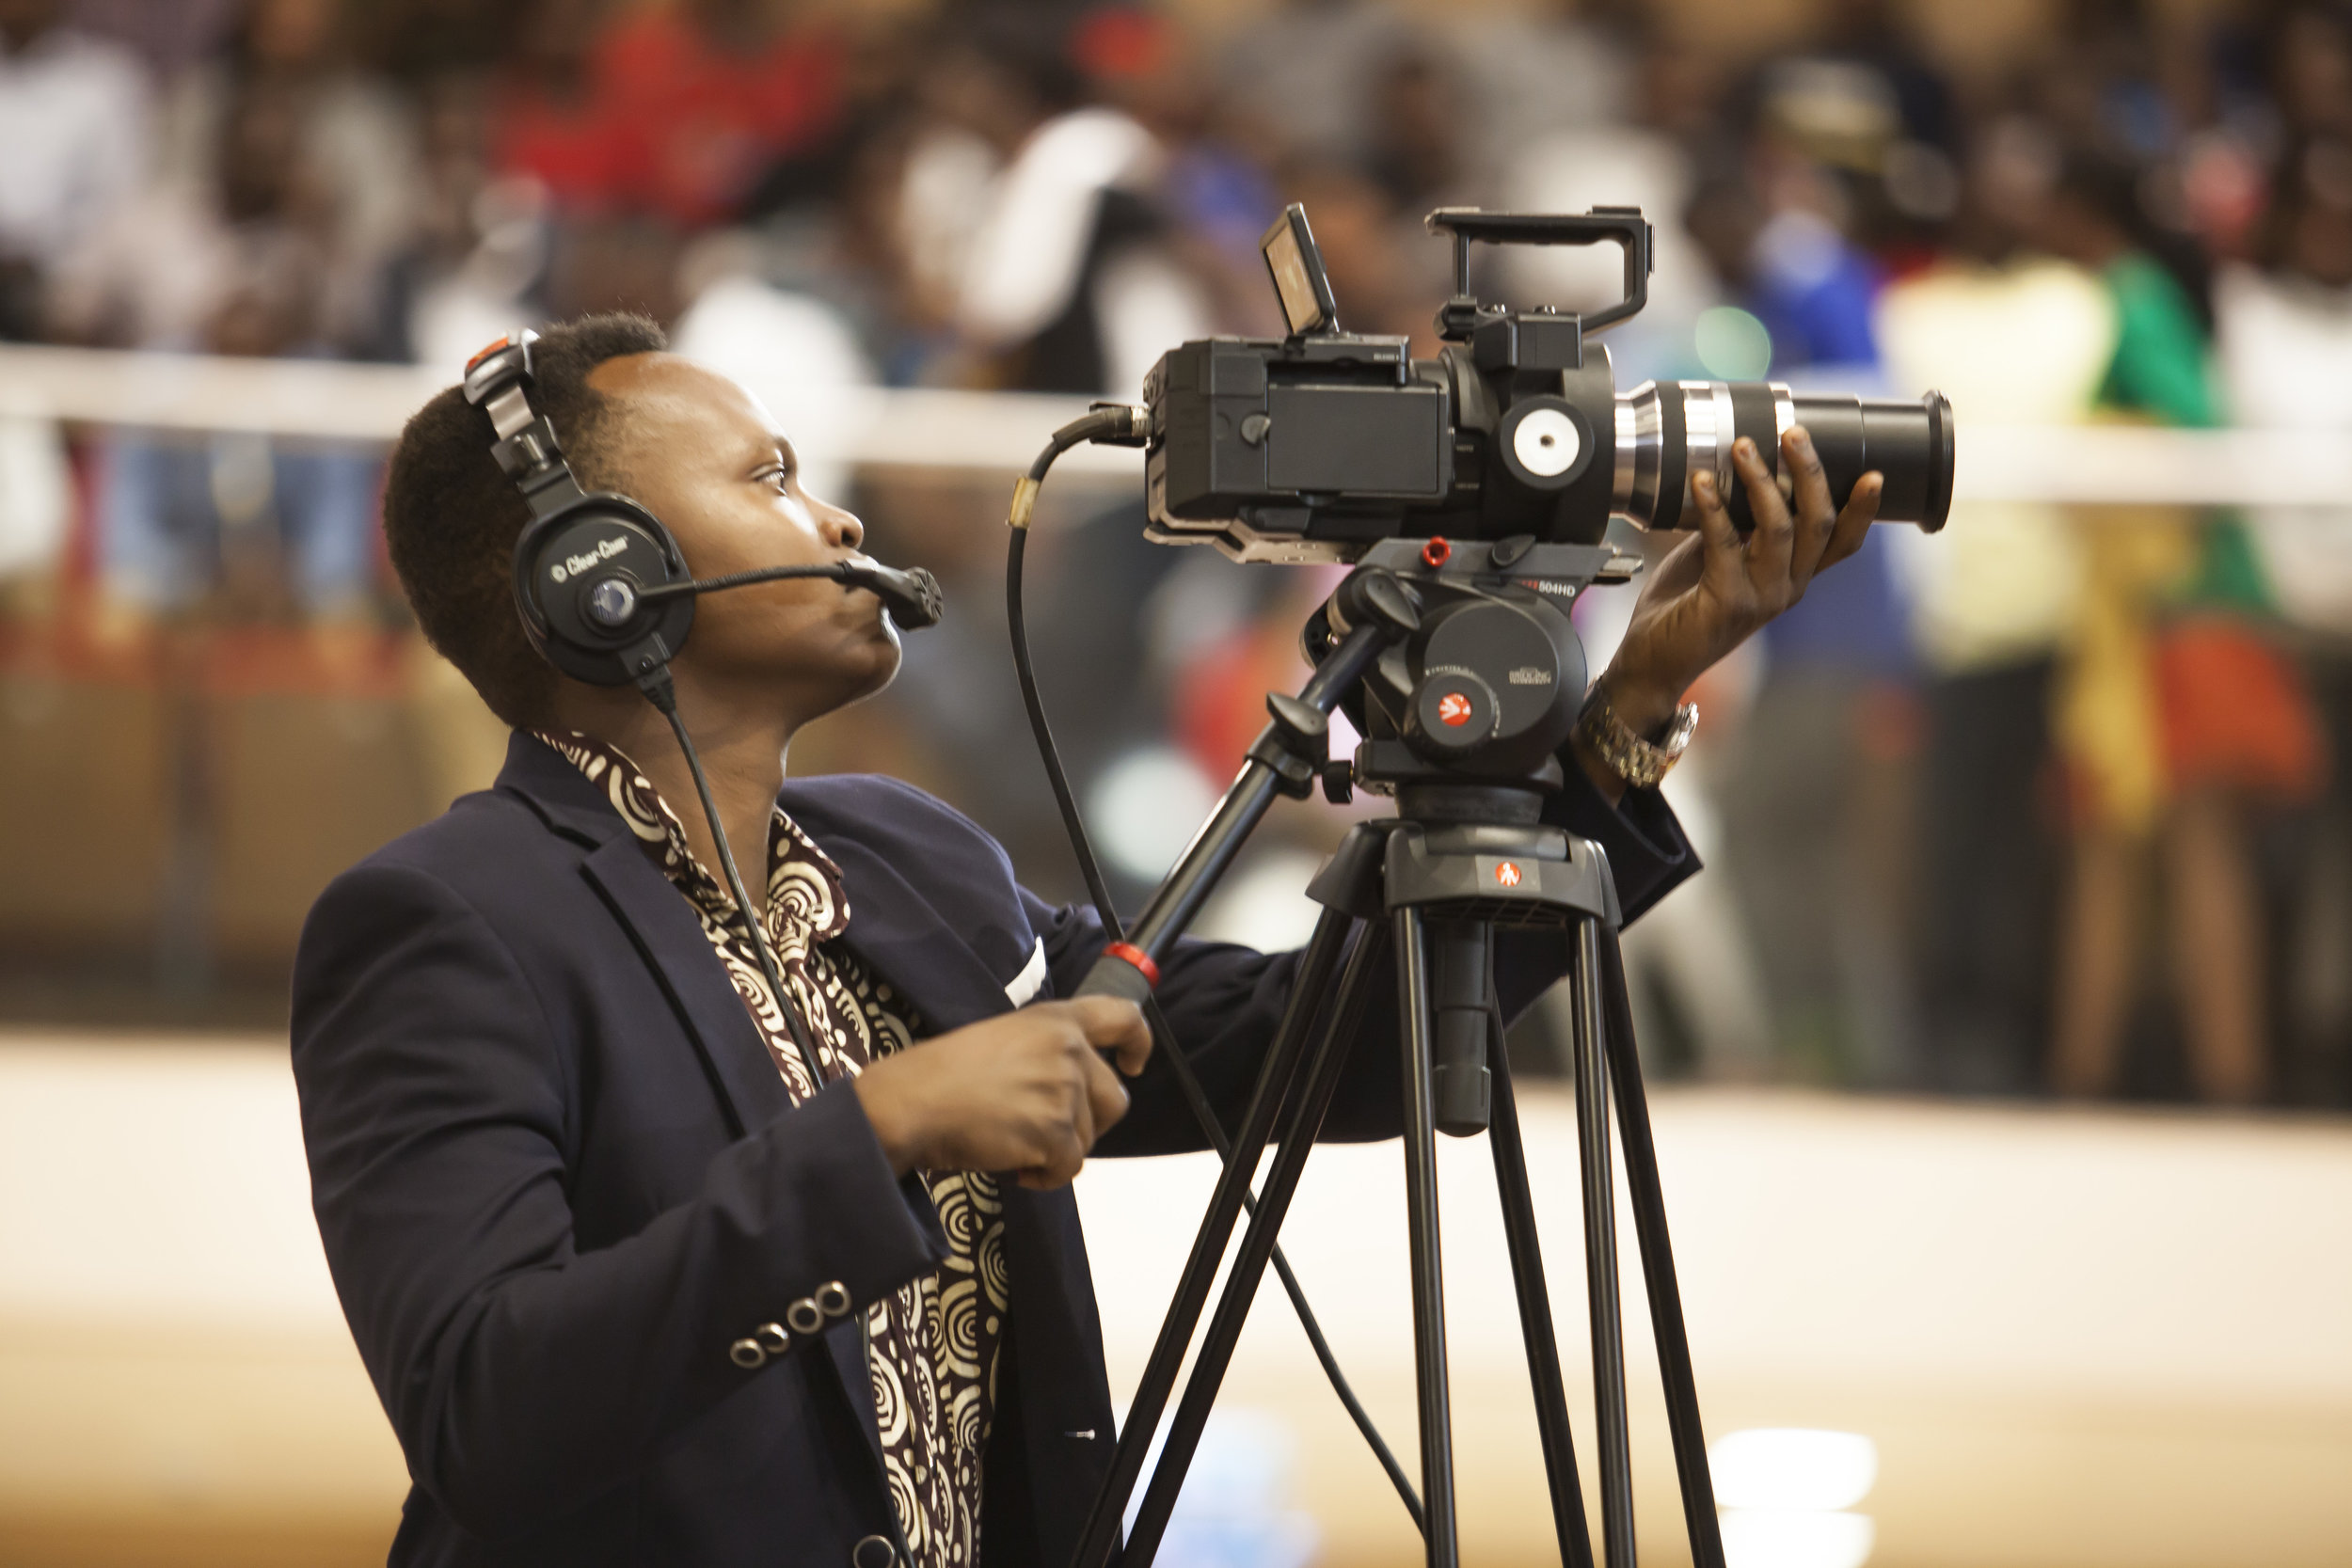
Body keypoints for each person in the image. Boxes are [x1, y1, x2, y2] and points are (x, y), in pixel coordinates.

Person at [291, 313, 1883, 1568]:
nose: (830, 509)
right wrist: (887, 1126)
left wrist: (1617, 717)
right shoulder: (446, 925)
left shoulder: (910, 859)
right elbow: (482, 1407)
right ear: (601, 578)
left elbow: (1320, 1050)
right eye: (768, 476)